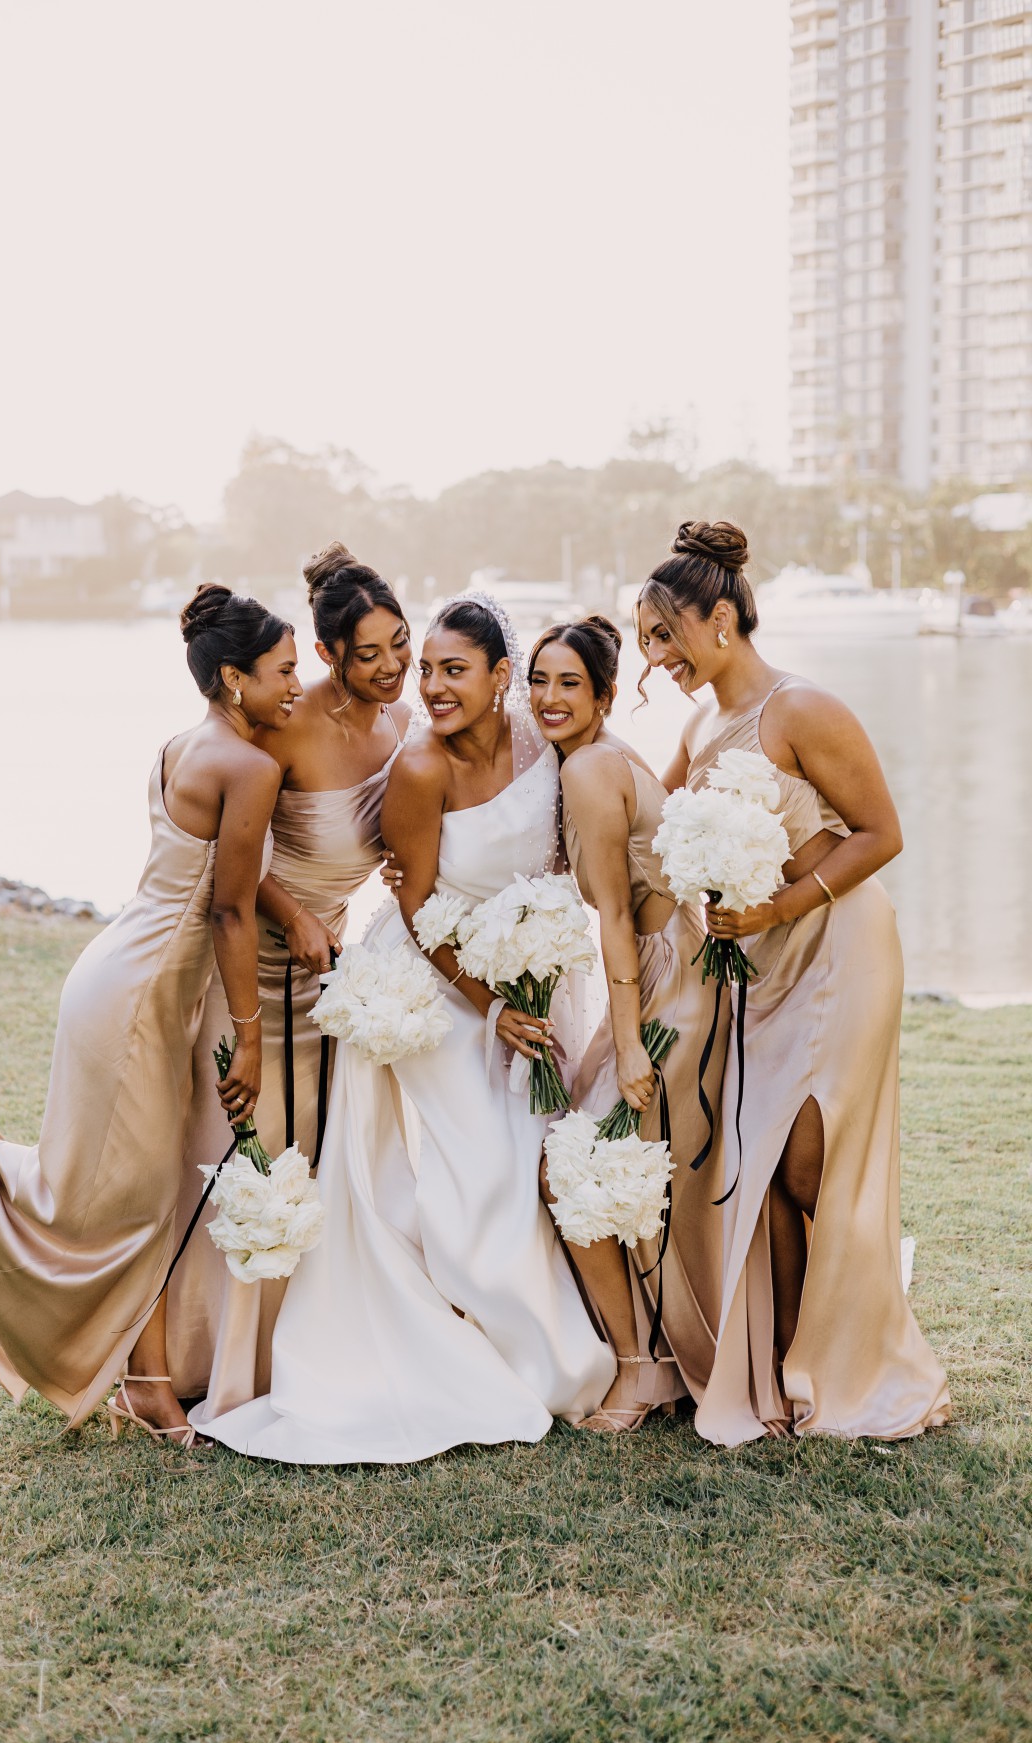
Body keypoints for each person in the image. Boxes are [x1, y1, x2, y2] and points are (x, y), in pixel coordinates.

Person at [193, 595, 613, 1462]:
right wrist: (492, 1007)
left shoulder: (544, 738)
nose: (426, 685)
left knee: (538, 1153)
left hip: (534, 969)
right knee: (480, 1178)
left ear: (505, 677)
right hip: (441, 985)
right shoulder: (420, 768)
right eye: (422, 668)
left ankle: (550, 1333)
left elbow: (582, 823)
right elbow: (416, 906)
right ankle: (494, 1347)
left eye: (448, 668)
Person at [0, 586, 300, 1446]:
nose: (296, 684)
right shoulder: (250, 766)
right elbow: (228, 912)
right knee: (110, 1199)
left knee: (137, 1200)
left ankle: (147, 1385)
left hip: (118, 972)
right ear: (234, 677)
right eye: (284, 669)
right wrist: (250, 1038)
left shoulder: (179, 746)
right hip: (141, 995)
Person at [639, 520, 950, 1444]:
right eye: (648, 640)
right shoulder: (697, 725)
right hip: (759, 968)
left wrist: (777, 908)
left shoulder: (803, 707)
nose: (660, 656)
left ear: (723, 618)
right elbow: (649, 829)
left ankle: (868, 1353)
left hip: (838, 946)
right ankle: (781, 1377)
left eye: (667, 634)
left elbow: (882, 832)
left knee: (810, 1160)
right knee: (764, 1167)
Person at [179, 544, 411, 1430]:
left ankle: (301, 1350)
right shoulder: (281, 724)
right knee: (260, 1154)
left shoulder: (397, 729)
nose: (391, 666)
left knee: (315, 1153)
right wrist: (294, 913)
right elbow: (234, 864)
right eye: (369, 653)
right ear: (327, 658)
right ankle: (230, 1363)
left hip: (334, 970)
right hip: (264, 960)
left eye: (400, 643)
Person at [528, 614, 726, 1431]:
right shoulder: (602, 759)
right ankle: (659, 1354)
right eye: (537, 680)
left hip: (660, 976)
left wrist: (632, 1041)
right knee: (626, 1163)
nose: (548, 697)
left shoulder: (589, 770)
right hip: (674, 959)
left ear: (606, 694)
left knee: (574, 1164)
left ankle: (642, 1368)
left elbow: (613, 917)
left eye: (569, 682)